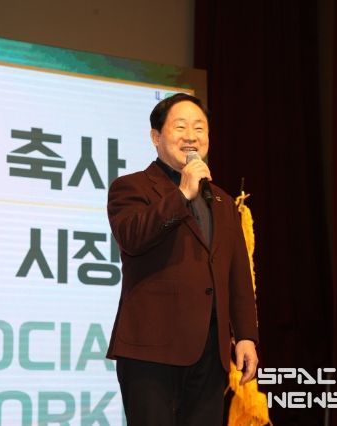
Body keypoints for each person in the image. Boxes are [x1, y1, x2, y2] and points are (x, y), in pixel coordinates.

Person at [106, 93, 259, 425]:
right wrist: (182, 194)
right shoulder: (130, 187)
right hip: (151, 349)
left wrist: (246, 335)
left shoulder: (223, 201)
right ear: (156, 137)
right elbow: (132, 237)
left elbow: (237, 274)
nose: (191, 136)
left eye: (199, 128)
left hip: (210, 350)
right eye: (180, 127)